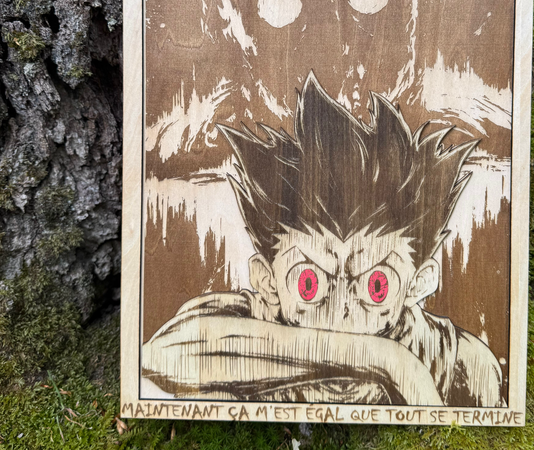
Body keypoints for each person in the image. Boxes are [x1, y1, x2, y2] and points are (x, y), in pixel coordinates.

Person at [142, 72, 503, 406]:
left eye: (376, 286)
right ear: (267, 282)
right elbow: (158, 358)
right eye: (309, 284)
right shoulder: (238, 325)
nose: (340, 313)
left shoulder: (454, 361)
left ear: (418, 283)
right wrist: (388, 362)